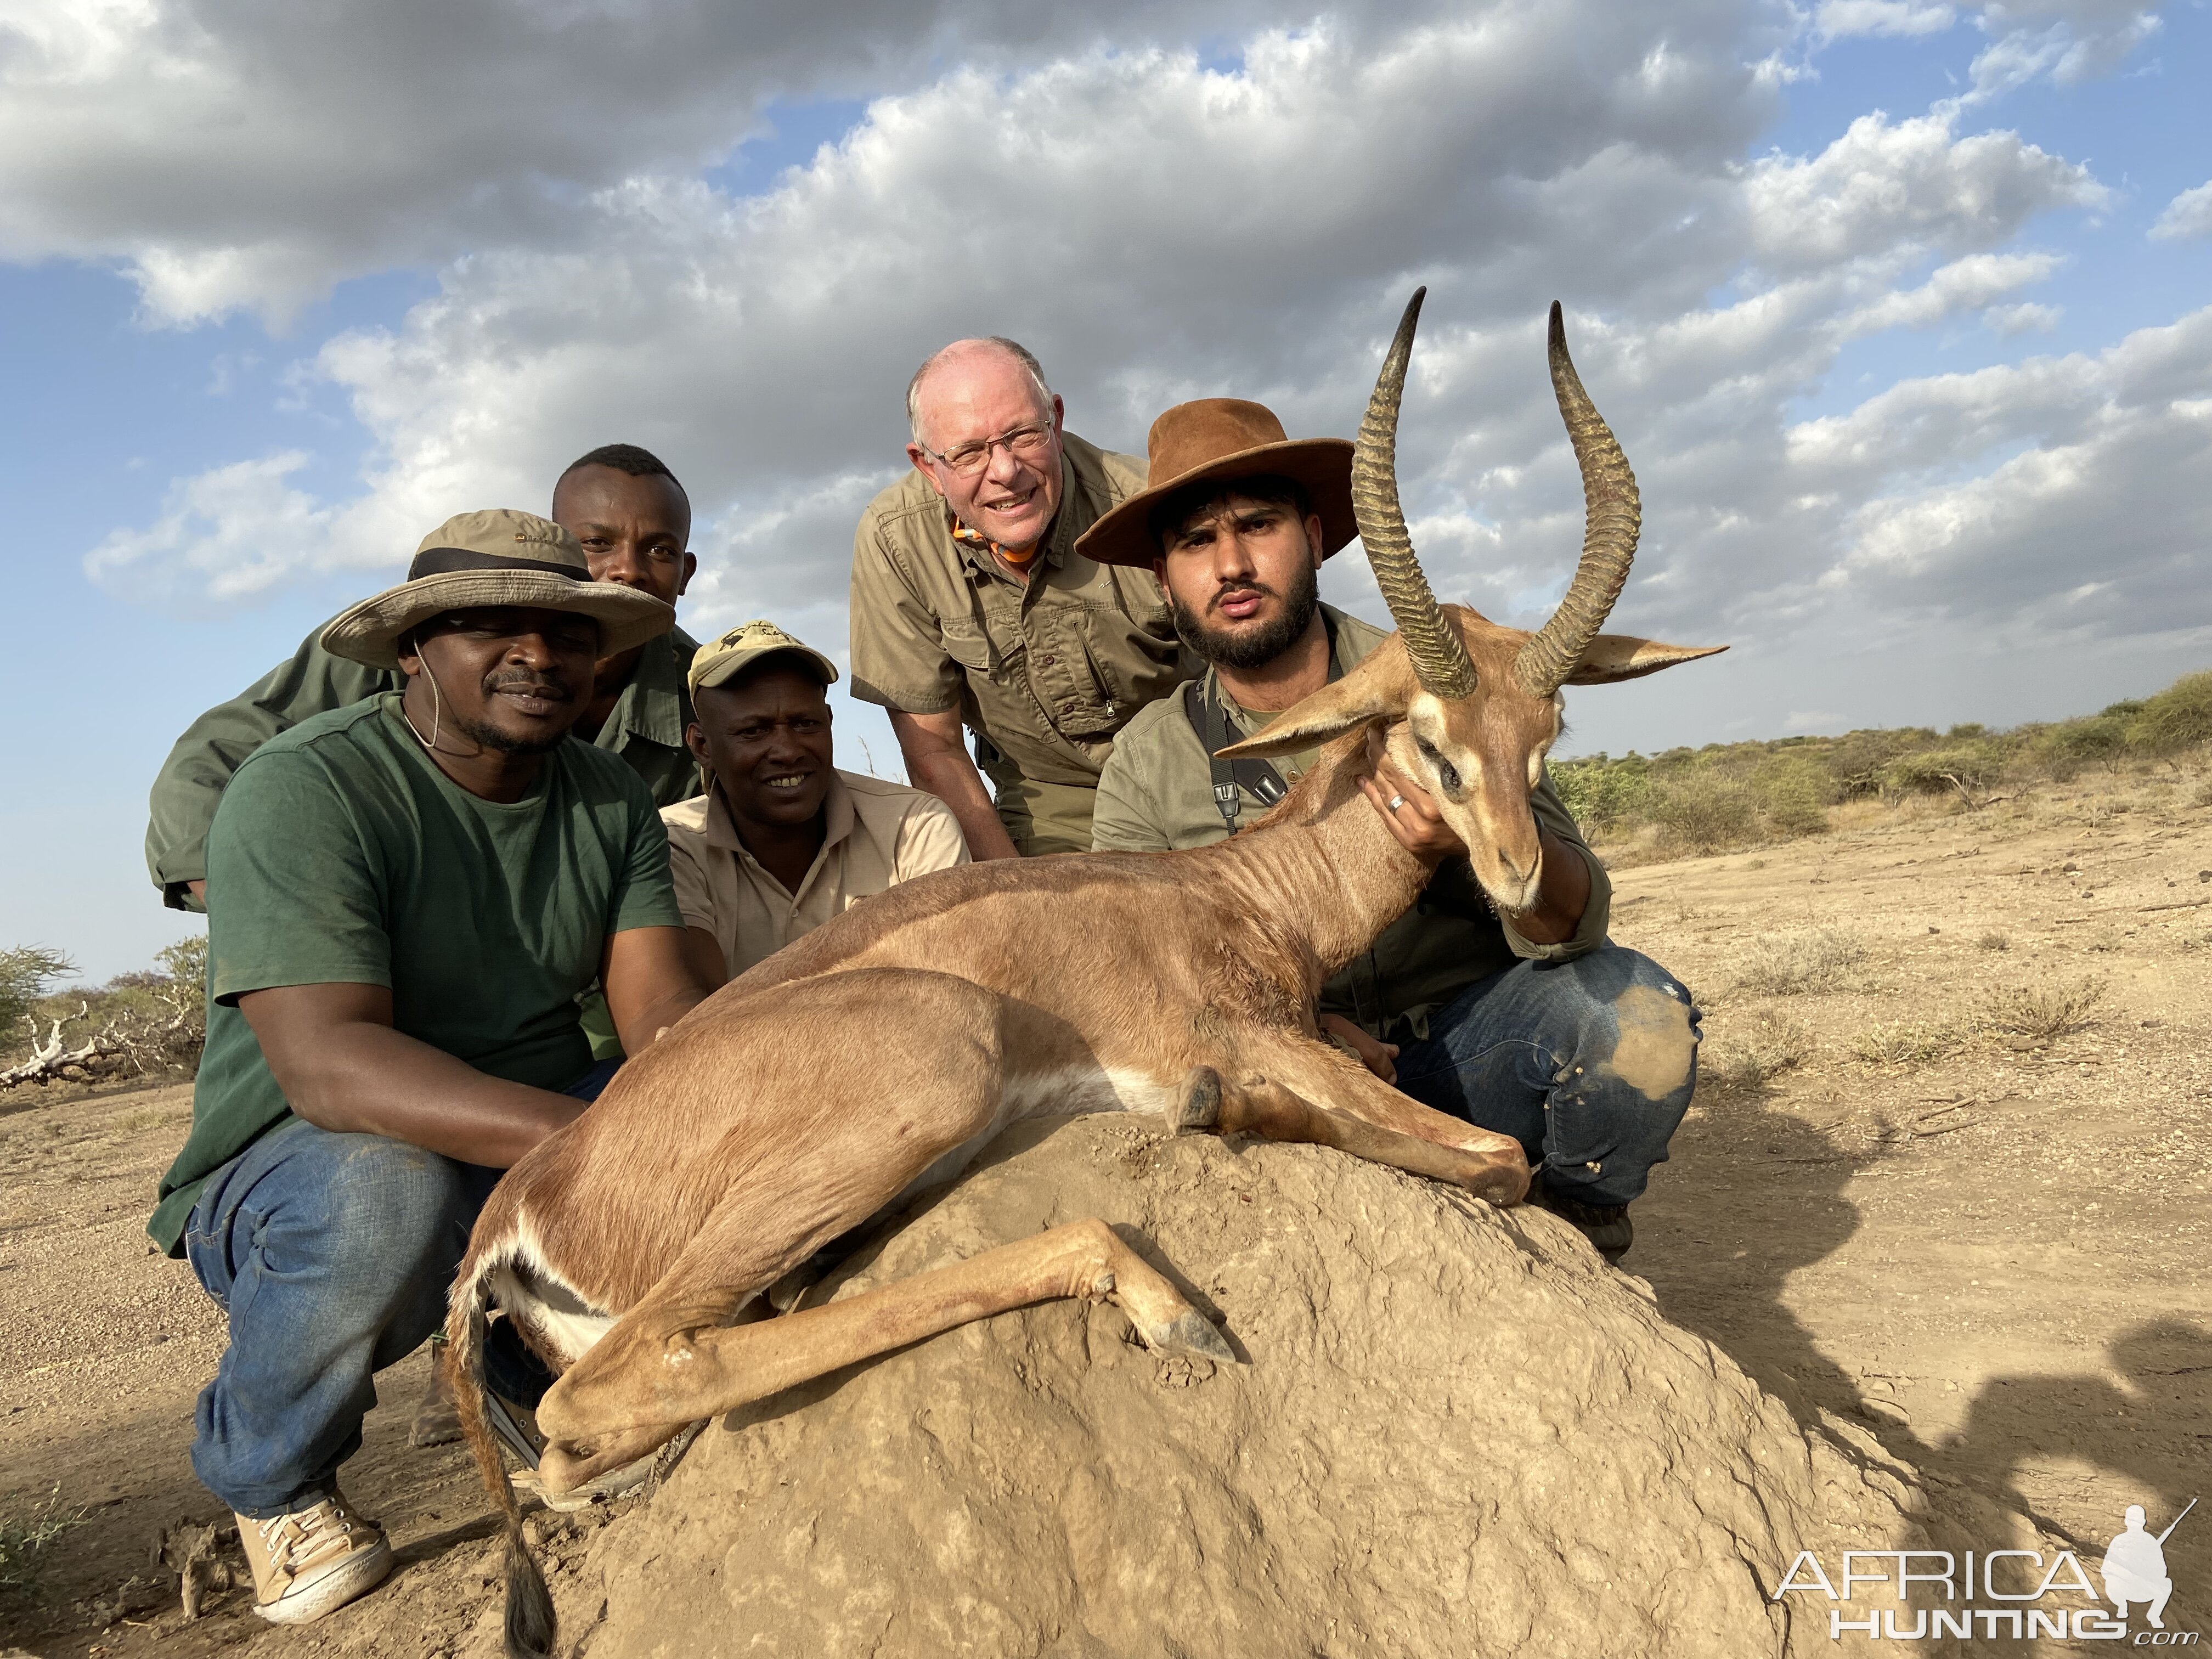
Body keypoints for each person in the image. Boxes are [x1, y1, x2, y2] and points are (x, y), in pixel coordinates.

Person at [148, 510, 718, 1625]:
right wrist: (601, 1148)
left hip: (528, 1127)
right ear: (413, 652)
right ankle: (273, 1482)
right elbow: (330, 1069)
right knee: (389, 1198)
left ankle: (539, 1377)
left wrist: (727, 1104)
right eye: (487, 628)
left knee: (720, 1121)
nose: (538, 658)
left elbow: (661, 1014)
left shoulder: (606, 798)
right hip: (307, 1163)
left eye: (566, 634)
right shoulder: (301, 787)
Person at [1083, 399, 1699, 1260]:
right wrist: (1304, 1031)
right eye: (1196, 542)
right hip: (1296, 1071)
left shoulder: (1458, 663)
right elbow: (1136, 968)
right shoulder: (1150, 760)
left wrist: (1464, 842)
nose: (1231, 563)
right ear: (1163, 576)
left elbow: (1569, 922)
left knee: (1637, 1020)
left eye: (1258, 526)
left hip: (1469, 1050)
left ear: (1313, 533)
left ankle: (1574, 1238)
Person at [144, 443, 703, 913]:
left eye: (659, 549)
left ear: (685, 572)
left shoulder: (710, 695)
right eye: (596, 543)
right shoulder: (414, 640)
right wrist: (250, 901)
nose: (628, 568)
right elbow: (217, 751)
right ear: (549, 546)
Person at [848, 336, 1190, 860]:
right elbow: (933, 746)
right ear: (928, 467)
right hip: (1048, 805)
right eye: (967, 453)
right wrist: (1019, 897)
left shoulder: (1151, 505)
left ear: (1055, 418)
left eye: (1024, 435)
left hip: (1198, 776)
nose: (1005, 471)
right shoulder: (895, 540)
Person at [662, 620, 969, 984]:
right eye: (754, 731)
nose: (789, 752)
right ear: (702, 746)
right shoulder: (672, 845)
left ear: (829, 722)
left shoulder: (914, 827)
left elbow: (952, 984)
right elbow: (697, 1013)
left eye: (805, 724)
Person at [2101, 1504, 2177, 1627]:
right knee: (2166, 1584)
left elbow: (2161, 1571)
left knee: (2166, 1583)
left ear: (2126, 1522)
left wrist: (2144, 1570)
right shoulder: (2124, 1540)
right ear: (2143, 1522)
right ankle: (2122, 1606)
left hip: (2141, 1590)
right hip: (2130, 1589)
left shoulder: (2145, 1542)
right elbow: (2106, 1569)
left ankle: (2152, 1615)